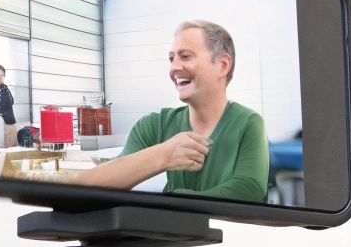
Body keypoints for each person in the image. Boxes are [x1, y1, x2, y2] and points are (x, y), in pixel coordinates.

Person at [72, 20, 270, 202]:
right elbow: (86, 188)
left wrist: (172, 200)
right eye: (171, 59)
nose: (174, 68)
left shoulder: (248, 123)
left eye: (185, 56)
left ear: (223, 65)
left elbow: (249, 190)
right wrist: (164, 154)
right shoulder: (153, 125)